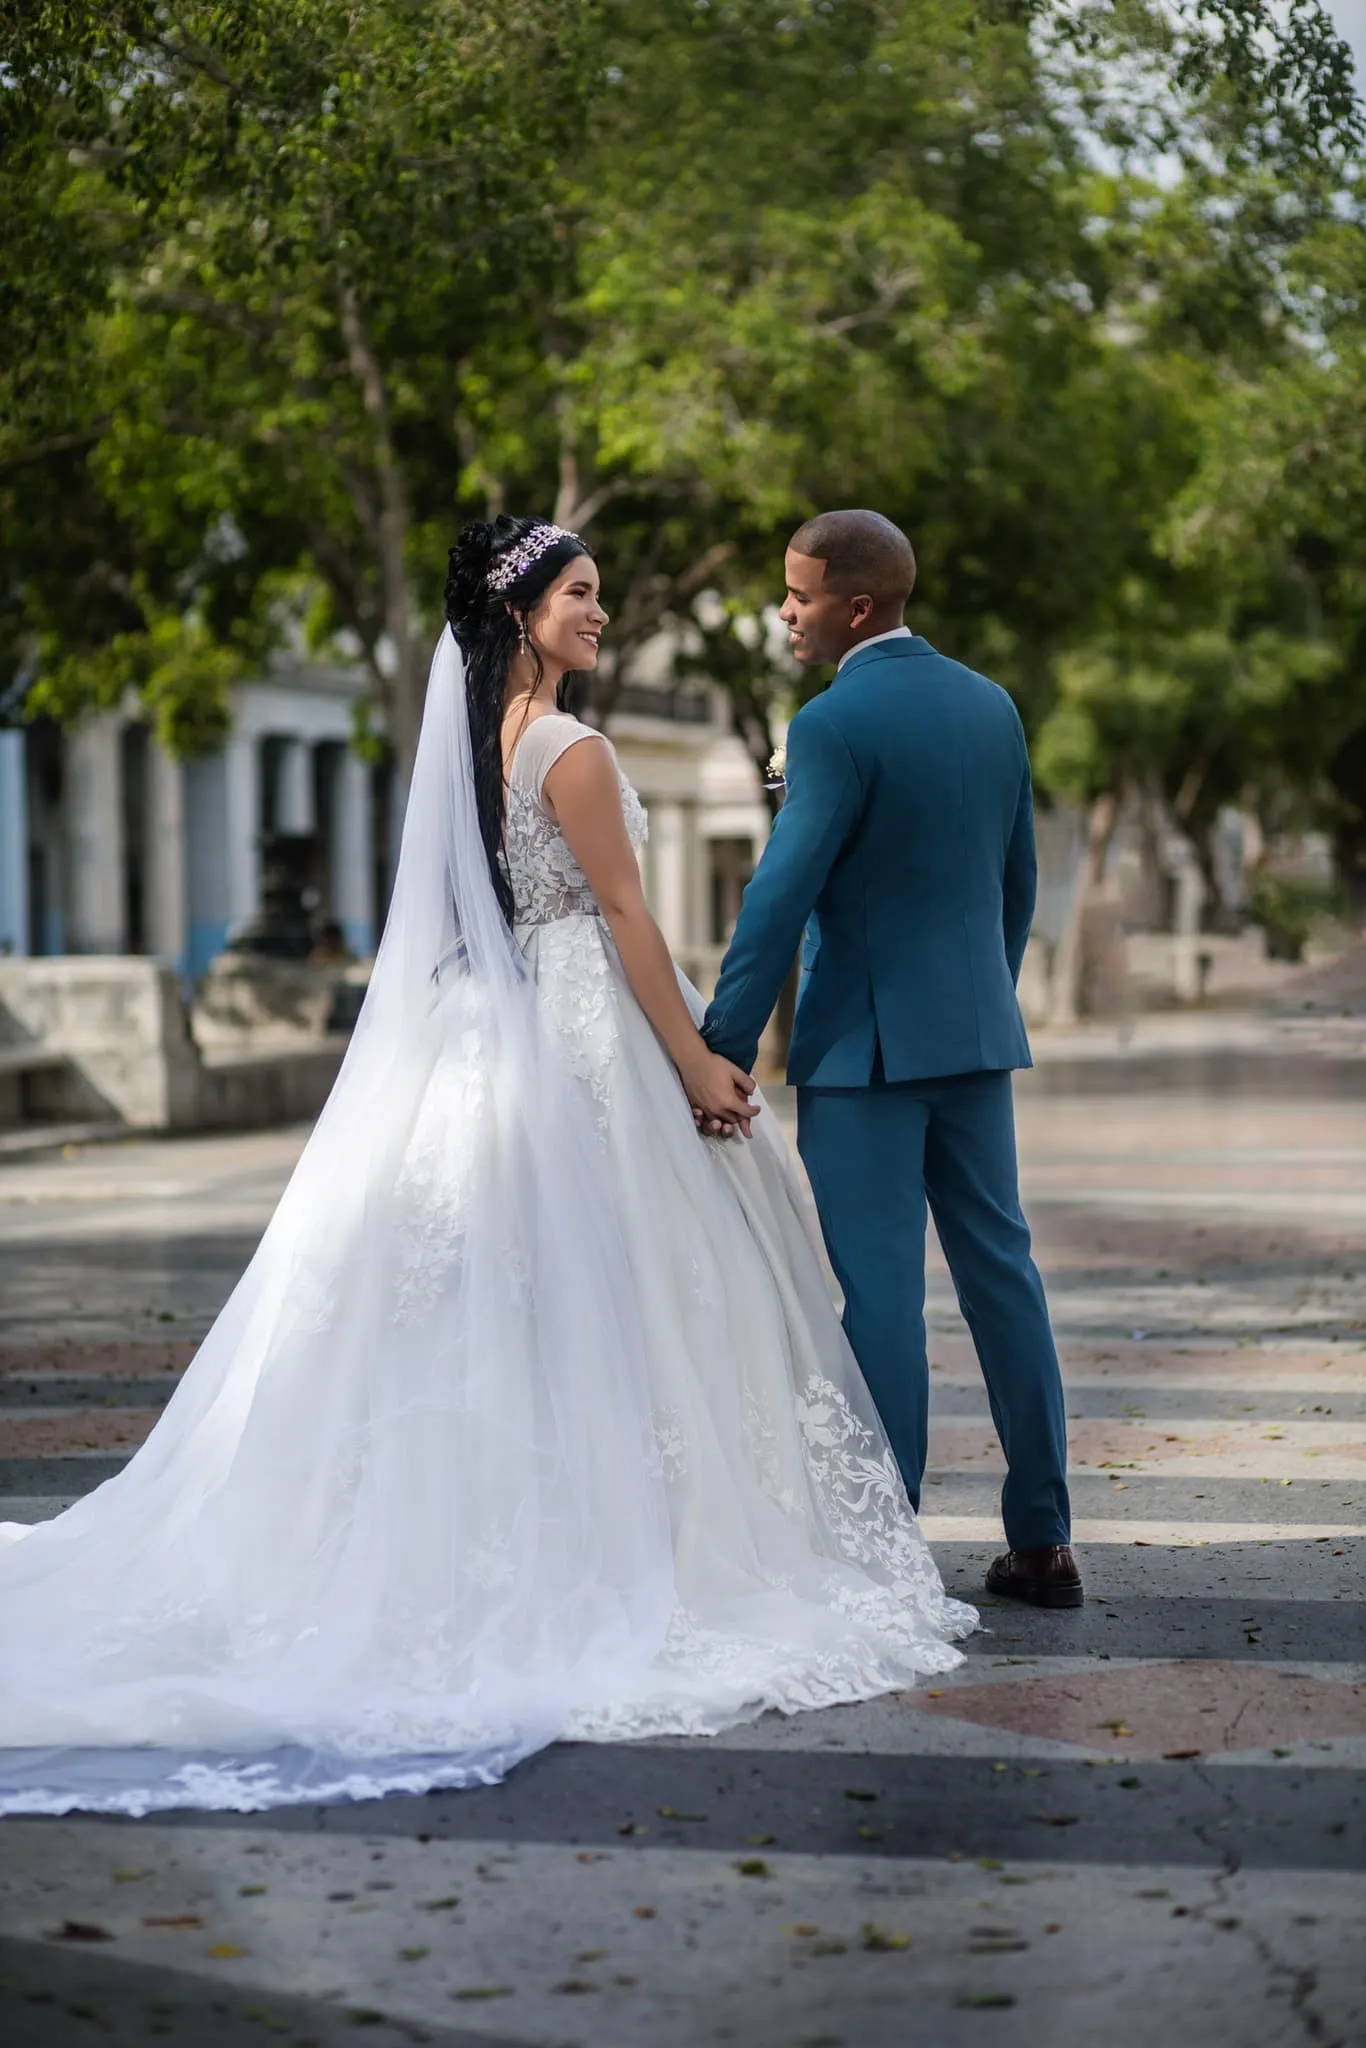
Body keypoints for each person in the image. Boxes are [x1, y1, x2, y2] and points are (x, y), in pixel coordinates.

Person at [0, 516, 974, 1820]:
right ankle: (645, 1539)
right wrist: (692, 1057)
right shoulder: (571, 747)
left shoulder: (487, 747)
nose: (601, 613)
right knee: (650, 1278)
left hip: (523, 1016)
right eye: (579, 595)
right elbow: (627, 915)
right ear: (520, 612)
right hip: (593, 1025)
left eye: (600, 593)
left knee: (560, 1289)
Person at [703, 510, 1081, 1610]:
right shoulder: (991, 704)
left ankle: (888, 1540)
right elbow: (1016, 879)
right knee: (1003, 1274)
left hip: (863, 1051)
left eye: (797, 594)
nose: (783, 611)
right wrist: (974, 998)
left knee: (876, 1294)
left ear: (854, 607)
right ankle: (1043, 1537)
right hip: (969, 1036)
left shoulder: (831, 722)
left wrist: (721, 1043)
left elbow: (784, 889)